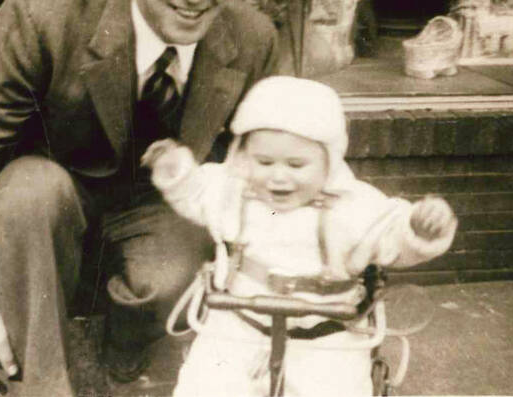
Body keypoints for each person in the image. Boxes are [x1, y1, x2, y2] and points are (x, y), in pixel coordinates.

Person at [0, 0, 279, 396]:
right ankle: (39, 386)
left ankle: (125, 354)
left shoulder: (253, 39)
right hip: (52, 199)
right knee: (28, 192)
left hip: (164, 206)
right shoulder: (40, 20)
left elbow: (271, 165)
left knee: (183, 250)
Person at [143, 76, 458, 396]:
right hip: (239, 325)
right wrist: (176, 172)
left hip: (326, 335)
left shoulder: (351, 205)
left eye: (297, 164)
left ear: (328, 162)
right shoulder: (234, 191)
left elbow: (390, 238)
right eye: (264, 162)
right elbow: (197, 191)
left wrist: (418, 230)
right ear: (244, 156)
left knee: (337, 388)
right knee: (206, 385)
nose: (279, 176)